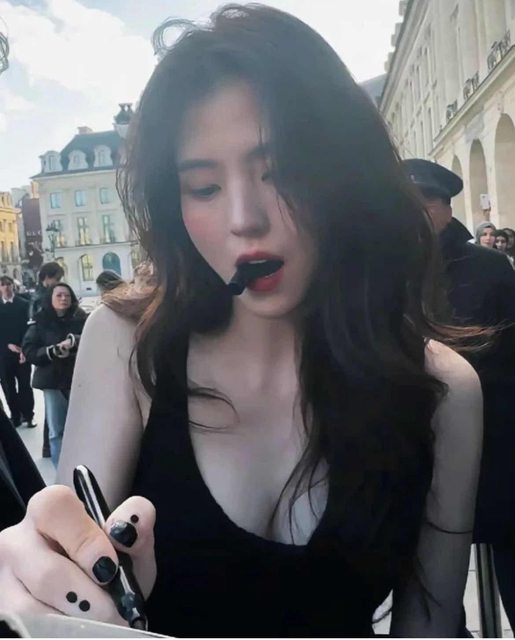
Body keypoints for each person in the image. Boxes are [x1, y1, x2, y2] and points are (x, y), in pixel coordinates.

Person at [0, 6, 483, 637]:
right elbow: (77, 590)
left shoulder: (444, 390)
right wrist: (40, 587)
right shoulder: (126, 343)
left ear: (347, 175)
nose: (244, 219)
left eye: (281, 172)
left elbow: (431, 623)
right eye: (204, 188)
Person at [403, 158, 515, 631]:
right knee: (432, 590)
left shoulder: (489, 268)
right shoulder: (384, 270)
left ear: (447, 209)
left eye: (425, 202)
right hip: (420, 447)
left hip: (497, 443)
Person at [22, 284, 87, 466]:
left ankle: (81, 466)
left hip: (78, 380)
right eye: (59, 295)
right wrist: (52, 351)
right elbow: (29, 350)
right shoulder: (39, 321)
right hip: (52, 382)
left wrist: (73, 343)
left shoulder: (81, 319)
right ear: (50, 299)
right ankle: (61, 470)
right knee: (56, 430)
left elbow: (93, 342)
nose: (63, 299)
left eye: (67, 295)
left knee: (81, 427)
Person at [30, 261, 65, 458]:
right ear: (46, 278)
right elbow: (35, 328)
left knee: (53, 411)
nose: (58, 283)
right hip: (48, 355)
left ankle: (48, 447)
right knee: (54, 411)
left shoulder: (41, 296)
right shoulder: (41, 299)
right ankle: (49, 447)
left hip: (51, 355)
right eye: (56, 278)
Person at [0, 276, 35, 429]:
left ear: (13, 286)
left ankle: (28, 415)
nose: (6, 287)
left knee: (25, 385)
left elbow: (29, 328)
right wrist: (7, 345)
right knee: (8, 387)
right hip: (3, 354)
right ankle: (15, 416)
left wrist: (23, 348)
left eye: (8, 284)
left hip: (22, 352)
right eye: (2, 285)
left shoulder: (24, 304)